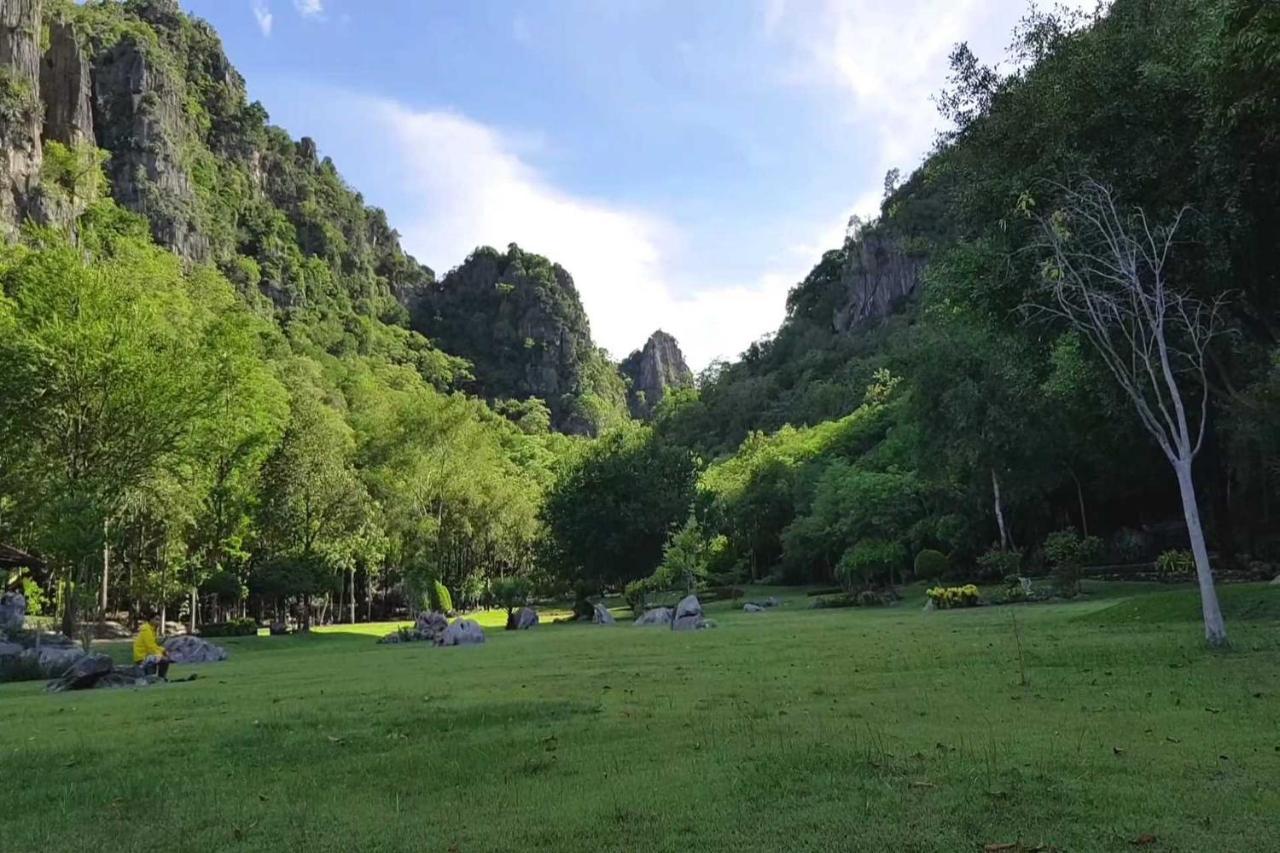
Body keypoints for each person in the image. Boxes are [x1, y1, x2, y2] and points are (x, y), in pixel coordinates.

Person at [133, 609, 170, 680]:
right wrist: (162, 654)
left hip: (147, 655)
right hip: (142, 657)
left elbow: (153, 645)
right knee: (164, 660)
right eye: (156, 619)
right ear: (151, 620)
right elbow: (150, 647)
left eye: (159, 620)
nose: (158, 622)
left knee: (162, 658)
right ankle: (161, 678)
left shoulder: (152, 630)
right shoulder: (146, 630)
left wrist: (163, 650)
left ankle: (159, 678)